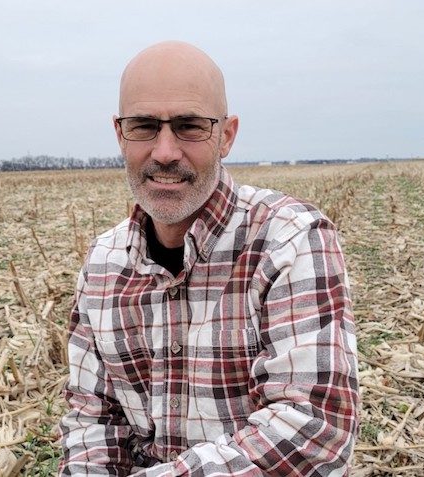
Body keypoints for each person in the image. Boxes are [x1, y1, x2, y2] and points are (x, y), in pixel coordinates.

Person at [59, 41, 359, 476]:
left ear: (227, 136)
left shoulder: (289, 240)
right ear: (120, 134)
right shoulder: (103, 262)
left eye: (190, 126)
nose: (164, 152)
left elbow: (312, 432)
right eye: (144, 126)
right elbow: (93, 419)